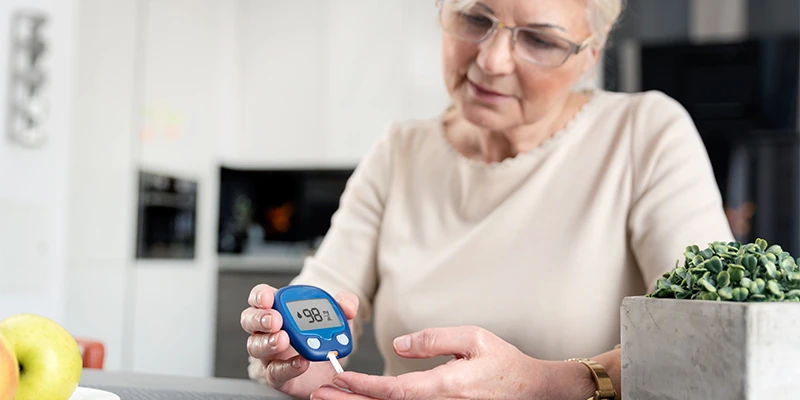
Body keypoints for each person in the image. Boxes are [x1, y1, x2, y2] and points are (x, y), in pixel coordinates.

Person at [240, 0, 735, 398]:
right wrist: (290, 361)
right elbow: (320, 299)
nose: (491, 61)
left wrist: (547, 384)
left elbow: (711, 342)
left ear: (593, 47)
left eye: (540, 39)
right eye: (475, 18)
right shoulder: (400, 151)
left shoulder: (646, 135)